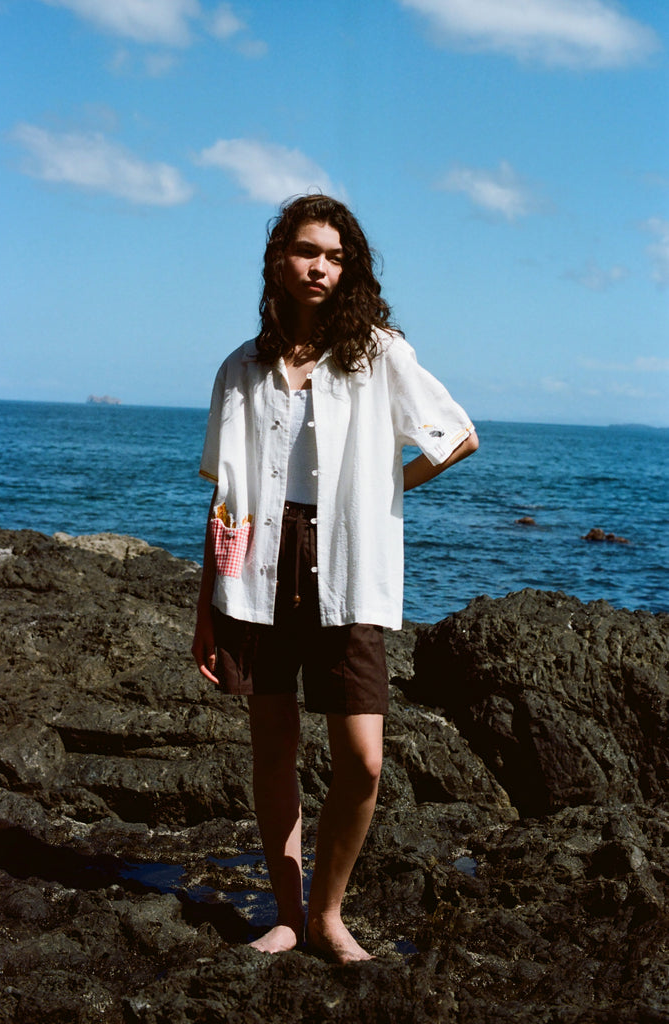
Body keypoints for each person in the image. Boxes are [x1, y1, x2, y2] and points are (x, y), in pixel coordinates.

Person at [192, 194, 478, 964]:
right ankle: (287, 915)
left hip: (348, 566)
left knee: (362, 757)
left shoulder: (379, 353)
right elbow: (223, 500)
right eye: (305, 251)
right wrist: (204, 609)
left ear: (348, 268)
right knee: (272, 747)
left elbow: (458, 437)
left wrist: (381, 493)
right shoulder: (240, 369)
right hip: (252, 572)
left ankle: (329, 912)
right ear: (277, 261)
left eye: (335, 255)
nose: (319, 266)